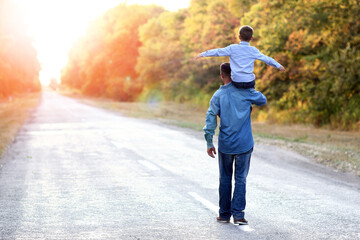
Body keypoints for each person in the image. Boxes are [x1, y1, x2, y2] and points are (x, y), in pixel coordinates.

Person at [203, 62, 267, 225]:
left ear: (222, 75)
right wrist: (250, 84)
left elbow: (210, 119)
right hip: (244, 144)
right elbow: (262, 100)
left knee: (225, 178)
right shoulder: (246, 92)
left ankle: (224, 215)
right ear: (237, 74)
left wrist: (209, 142)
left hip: (226, 145)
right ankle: (238, 215)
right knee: (241, 179)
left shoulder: (218, 95)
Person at [195, 25, 286, 89]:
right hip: (249, 83)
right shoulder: (253, 50)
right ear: (251, 38)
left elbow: (218, 52)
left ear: (239, 36)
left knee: (232, 83)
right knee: (251, 87)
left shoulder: (232, 48)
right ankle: (250, 101)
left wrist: (203, 54)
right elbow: (267, 59)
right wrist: (279, 66)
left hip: (236, 81)